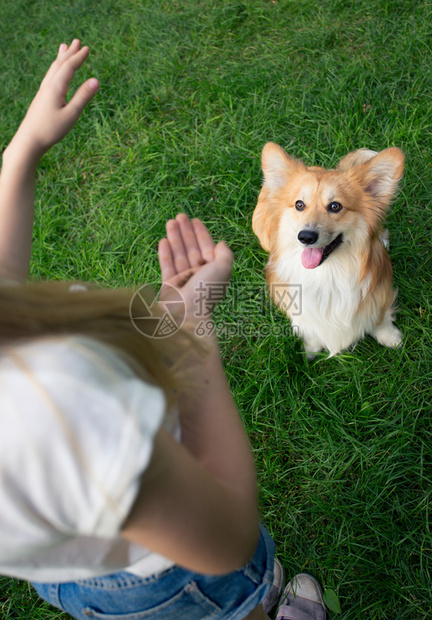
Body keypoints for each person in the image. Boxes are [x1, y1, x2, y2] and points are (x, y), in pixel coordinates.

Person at [0, 39, 327, 620]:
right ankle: (263, 607)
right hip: (166, 573)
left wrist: (22, 152)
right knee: (229, 595)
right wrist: (191, 333)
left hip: (69, 570)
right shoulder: (50, 416)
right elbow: (224, 539)